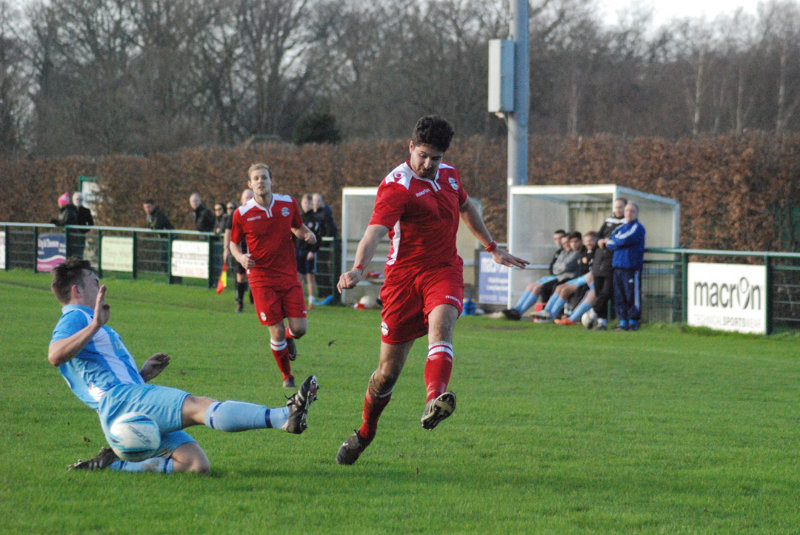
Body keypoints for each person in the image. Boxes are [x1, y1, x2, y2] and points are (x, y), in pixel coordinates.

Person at [335, 115, 528, 465]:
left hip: (443, 271)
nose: (427, 163)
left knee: (442, 326)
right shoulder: (397, 186)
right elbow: (374, 232)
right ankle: (365, 432)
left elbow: (466, 206)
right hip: (402, 282)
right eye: (422, 155)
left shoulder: (450, 176)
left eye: (435, 157)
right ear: (410, 147)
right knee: (386, 374)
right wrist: (358, 269)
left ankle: (434, 400)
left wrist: (492, 247)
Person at [49, 257, 319, 474]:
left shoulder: (84, 320)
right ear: (77, 290)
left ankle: (112, 464)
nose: (99, 287)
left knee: (195, 465)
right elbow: (55, 355)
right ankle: (284, 417)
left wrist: (142, 374)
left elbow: (97, 375)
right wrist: (96, 324)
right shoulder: (76, 316)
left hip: (121, 409)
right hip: (124, 402)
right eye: (94, 282)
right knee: (199, 406)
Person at [229, 164, 318, 388]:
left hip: (288, 275)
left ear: (272, 181)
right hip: (261, 279)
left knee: (300, 329)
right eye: (256, 179)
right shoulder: (242, 213)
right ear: (250, 184)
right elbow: (233, 243)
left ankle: (290, 337)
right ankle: (287, 376)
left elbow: (297, 227)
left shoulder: (288, 203)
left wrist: (306, 234)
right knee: (276, 329)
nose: (260, 182)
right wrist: (240, 258)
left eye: (264, 178)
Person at [503, 230, 581, 320]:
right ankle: (517, 309)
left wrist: (558, 269)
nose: (564, 244)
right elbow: (554, 266)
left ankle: (520, 312)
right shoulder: (562, 252)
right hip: (557, 276)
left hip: (561, 278)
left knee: (537, 288)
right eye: (558, 240)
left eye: (566, 242)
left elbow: (564, 267)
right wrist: (559, 269)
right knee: (531, 285)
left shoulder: (574, 253)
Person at [601, 202, 645, 331]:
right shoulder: (620, 227)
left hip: (630, 266)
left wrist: (614, 242)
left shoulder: (637, 227)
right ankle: (623, 322)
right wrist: (614, 242)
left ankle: (633, 322)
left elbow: (622, 240)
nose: (629, 213)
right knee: (619, 296)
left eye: (631, 211)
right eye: (627, 211)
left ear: (636, 213)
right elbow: (612, 240)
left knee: (631, 295)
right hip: (618, 266)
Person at [591, 198, 626, 330]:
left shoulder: (626, 224)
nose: (618, 210)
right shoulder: (608, 221)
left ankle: (592, 312)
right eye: (616, 207)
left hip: (613, 262)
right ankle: (602, 322)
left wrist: (609, 241)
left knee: (606, 292)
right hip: (599, 261)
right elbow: (597, 236)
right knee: (599, 291)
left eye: (620, 207)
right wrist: (599, 240)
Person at [224, 190, 254, 312]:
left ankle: (254, 298)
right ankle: (240, 302)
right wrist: (226, 249)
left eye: (251, 197)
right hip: (240, 250)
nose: (248, 200)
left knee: (253, 276)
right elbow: (228, 231)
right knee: (241, 277)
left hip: (255, 250)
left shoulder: (259, 212)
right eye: (246, 197)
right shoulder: (236, 214)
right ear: (241, 200)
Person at [295, 194, 319, 309]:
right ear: (301, 204)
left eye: (309, 203)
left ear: (312, 205)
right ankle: (299, 300)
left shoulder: (315, 218)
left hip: (309, 251)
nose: (307, 205)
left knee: (310, 276)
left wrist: (312, 251)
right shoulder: (298, 217)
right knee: (298, 276)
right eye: (305, 203)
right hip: (298, 250)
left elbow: (318, 236)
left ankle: (311, 301)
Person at [70, 192, 94, 258]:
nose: (78, 201)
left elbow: (91, 223)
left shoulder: (86, 211)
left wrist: (83, 230)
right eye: (77, 199)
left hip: (80, 235)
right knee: (70, 252)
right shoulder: (69, 210)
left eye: (80, 199)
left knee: (80, 252)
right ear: (73, 200)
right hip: (70, 235)